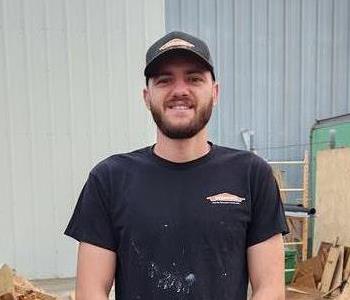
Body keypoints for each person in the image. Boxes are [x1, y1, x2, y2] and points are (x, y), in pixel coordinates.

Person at [65, 31, 288, 300]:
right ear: (147, 97)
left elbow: (270, 288)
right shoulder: (109, 179)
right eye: (164, 80)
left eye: (194, 78)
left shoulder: (252, 175)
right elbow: (91, 292)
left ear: (214, 93)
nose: (180, 90)